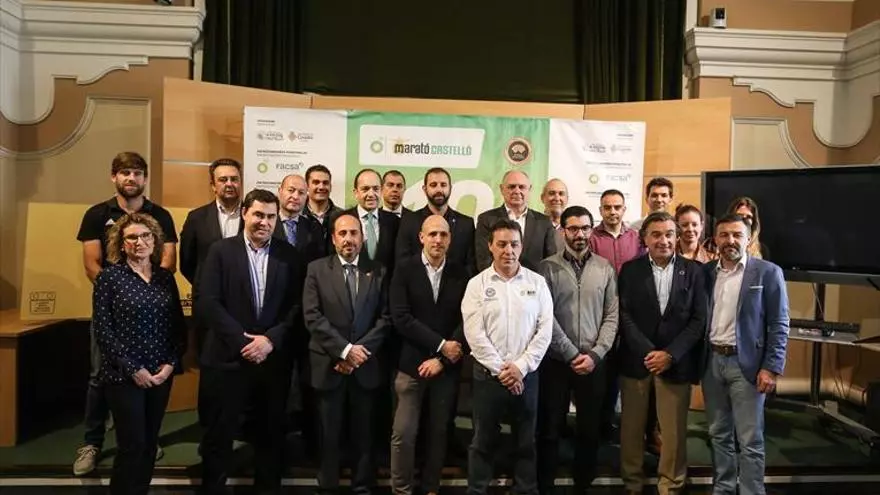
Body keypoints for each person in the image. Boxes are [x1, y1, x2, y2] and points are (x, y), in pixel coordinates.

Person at [74, 151, 177, 476]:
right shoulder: (96, 214)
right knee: (99, 376)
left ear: (145, 178)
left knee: (150, 375)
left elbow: (168, 261)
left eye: (137, 173)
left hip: (153, 311)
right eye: (124, 173)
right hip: (114, 310)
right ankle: (92, 442)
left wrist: (147, 292)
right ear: (114, 177)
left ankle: (144, 437)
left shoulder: (160, 215)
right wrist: (120, 289)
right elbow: (92, 263)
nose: (131, 178)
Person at [197, 189, 303, 495]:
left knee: (270, 436)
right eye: (258, 214)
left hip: (271, 362)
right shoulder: (220, 251)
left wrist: (270, 340)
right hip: (228, 359)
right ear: (244, 213)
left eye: (271, 216)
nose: (264, 222)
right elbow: (208, 301)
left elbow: (297, 306)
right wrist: (243, 341)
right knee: (219, 436)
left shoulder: (289, 255)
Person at [92, 213, 186, 495]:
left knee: (148, 445)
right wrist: (133, 369)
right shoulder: (109, 278)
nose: (139, 242)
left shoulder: (165, 278)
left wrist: (170, 365)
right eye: (131, 237)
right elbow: (103, 331)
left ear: (154, 241)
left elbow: (178, 327)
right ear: (121, 244)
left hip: (160, 374)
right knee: (131, 446)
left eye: (145, 236)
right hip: (124, 376)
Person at [617, 211, 707, 495]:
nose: (663, 240)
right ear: (644, 238)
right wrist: (649, 352)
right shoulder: (630, 270)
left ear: (677, 237)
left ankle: (670, 485)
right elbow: (624, 315)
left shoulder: (694, 271)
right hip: (637, 361)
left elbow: (698, 320)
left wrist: (670, 354)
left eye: (669, 234)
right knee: (631, 430)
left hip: (675, 364)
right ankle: (632, 483)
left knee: (674, 432)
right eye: (656, 235)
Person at [462, 218, 553, 495]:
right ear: (490, 246)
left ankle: (525, 490)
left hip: (527, 377)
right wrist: (504, 370)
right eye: (501, 244)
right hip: (488, 377)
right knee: (482, 441)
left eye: (514, 244)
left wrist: (521, 368)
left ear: (521, 246)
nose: (508, 251)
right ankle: (477, 490)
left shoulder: (537, 283)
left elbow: (545, 330)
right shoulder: (476, 285)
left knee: (526, 441)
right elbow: (474, 334)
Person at [303, 212, 392, 495]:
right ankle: (327, 487)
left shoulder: (378, 271)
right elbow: (312, 316)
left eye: (354, 233)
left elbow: (385, 318)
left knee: (364, 435)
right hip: (330, 366)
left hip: (365, 367)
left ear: (363, 238)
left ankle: (362, 486)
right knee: (328, 434)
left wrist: (358, 354)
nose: (348, 239)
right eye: (342, 233)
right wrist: (344, 352)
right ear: (333, 238)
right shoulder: (316, 269)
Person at [702, 214, 790, 495]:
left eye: (737, 235)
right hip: (711, 363)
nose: (730, 240)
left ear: (748, 238)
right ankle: (724, 489)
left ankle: (752, 491)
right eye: (724, 235)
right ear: (715, 239)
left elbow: (779, 323)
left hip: (748, 366)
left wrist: (771, 367)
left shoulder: (767, 272)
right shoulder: (706, 273)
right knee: (718, 434)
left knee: (750, 439)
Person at [536, 206, 618, 493]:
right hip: (557, 361)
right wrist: (570, 353)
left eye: (584, 228)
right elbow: (546, 318)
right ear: (563, 232)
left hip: (594, 361)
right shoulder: (546, 268)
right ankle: (545, 483)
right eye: (573, 228)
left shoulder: (605, 268)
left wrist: (596, 354)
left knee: (589, 428)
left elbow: (612, 315)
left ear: (591, 230)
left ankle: (583, 483)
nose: (579, 234)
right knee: (550, 428)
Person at [389, 215, 470, 495]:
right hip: (410, 365)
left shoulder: (461, 273)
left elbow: (467, 319)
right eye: (432, 234)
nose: (438, 239)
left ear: (450, 239)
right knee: (403, 434)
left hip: (446, 368)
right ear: (421, 237)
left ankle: (431, 488)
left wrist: (443, 359)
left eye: (443, 234)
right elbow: (401, 318)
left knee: (438, 433)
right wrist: (440, 345)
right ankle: (401, 491)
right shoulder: (404, 269)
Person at [273, 173, 326, 457]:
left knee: (308, 381)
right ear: (280, 191)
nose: (295, 196)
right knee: (276, 383)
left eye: (301, 192)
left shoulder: (314, 228)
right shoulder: (266, 223)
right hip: (273, 318)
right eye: (291, 190)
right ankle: (275, 442)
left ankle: (309, 441)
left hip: (306, 316)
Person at [179, 158, 244, 354]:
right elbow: (187, 263)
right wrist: (208, 284)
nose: (229, 184)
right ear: (213, 185)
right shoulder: (196, 218)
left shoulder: (253, 216)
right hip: (207, 305)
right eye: (223, 180)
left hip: (245, 304)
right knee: (208, 360)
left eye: (234, 179)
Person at [395, 167, 475, 274]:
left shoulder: (466, 224)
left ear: (450, 188)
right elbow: (402, 263)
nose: (439, 190)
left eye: (443, 185)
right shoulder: (409, 221)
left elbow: (470, 266)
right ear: (425, 189)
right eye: (433, 185)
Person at [474, 170, 557, 272]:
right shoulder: (486, 219)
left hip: (534, 280)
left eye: (521, 187)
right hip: (497, 280)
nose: (517, 191)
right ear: (502, 189)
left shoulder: (544, 222)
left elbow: (550, 262)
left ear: (529, 189)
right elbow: (483, 260)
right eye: (512, 187)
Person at [345, 168, 401, 273]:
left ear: (381, 191)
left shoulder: (395, 222)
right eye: (365, 189)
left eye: (376, 189)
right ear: (356, 192)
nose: (371, 194)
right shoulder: (342, 220)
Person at [302, 164, 344, 252]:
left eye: (325, 183)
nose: (321, 187)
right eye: (316, 182)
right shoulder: (297, 215)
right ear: (307, 186)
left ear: (330, 187)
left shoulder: (342, 216)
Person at [540, 178, 568, 254]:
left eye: (561, 194)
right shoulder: (533, 226)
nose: (557, 198)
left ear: (567, 199)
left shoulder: (574, 229)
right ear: (542, 198)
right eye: (552, 193)